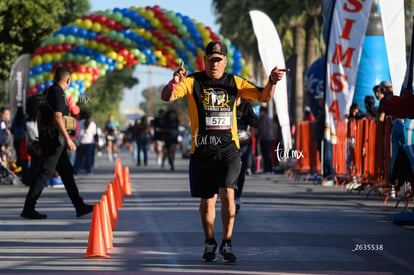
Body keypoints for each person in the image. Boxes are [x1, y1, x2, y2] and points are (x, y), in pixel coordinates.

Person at [161, 40, 285, 263]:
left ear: (225, 61)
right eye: (211, 61)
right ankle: (209, 241)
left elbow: (263, 96)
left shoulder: (234, 82)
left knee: (228, 194)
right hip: (202, 151)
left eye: (218, 61)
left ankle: (227, 242)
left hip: (229, 151)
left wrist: (271, 81)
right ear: (205, 61)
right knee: (208, 201)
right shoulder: (192, 82)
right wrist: (174, 81)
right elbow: (167, 97)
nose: (214, 65)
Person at [20, 67, 93, 219]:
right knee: (45, 173)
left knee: (66, 173)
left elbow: (40, 115)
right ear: (68, 80)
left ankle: (79, 206)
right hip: (55, 141)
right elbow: (58, 117)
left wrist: (41, 137)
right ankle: (29, 207)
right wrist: (68, 139)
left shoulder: (48, 91)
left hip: (51, 139)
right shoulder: (58, 93)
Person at [235, 98, 258, 212]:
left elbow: (255, 122)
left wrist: (244, 115)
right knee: (227, 171)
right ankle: (229, 195)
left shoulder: (246, 106)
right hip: (228, 143)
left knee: (241, 171)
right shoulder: (224, 102)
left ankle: (237, 197)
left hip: (244, 143)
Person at [257, 105, 276, 174]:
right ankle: (269, 169)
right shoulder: (268, 118)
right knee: (267, 154)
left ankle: (267, 169)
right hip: (269, 138)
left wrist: (259, 136)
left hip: (265, 138)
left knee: (265, 154)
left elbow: (263, 129)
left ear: (263, 111)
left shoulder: (263, 119)